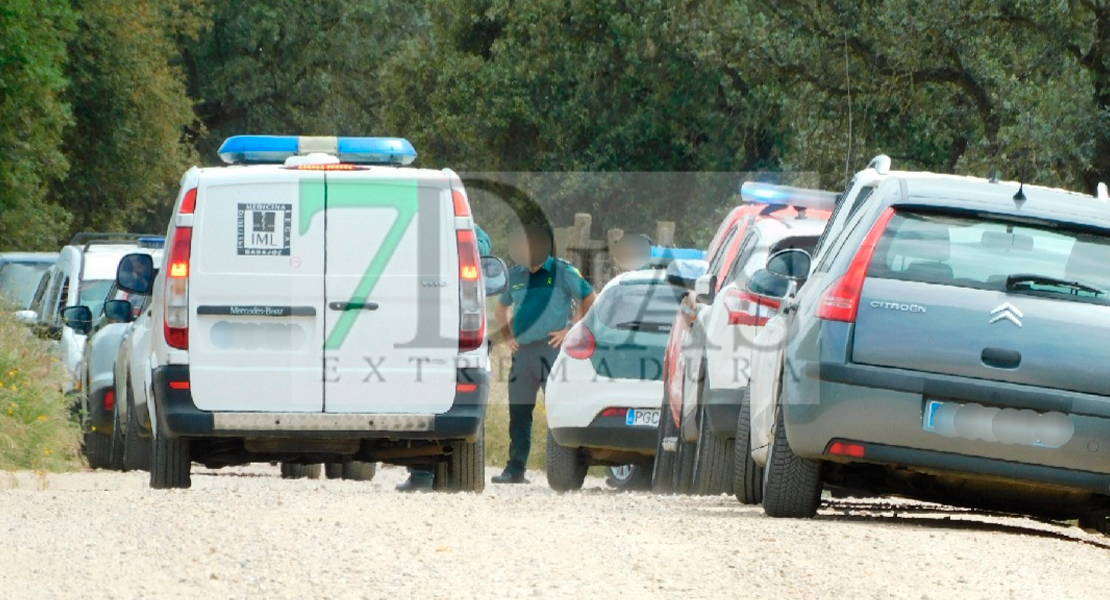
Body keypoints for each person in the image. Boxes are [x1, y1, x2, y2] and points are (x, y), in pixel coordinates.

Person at [492, 223, 596, 484]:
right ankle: (515, 469)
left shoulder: (562, 271)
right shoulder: (515, 275)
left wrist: (569, 329)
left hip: (551, 351)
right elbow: (501, 307)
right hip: (523, 353)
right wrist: (508, 336)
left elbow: (590, 298)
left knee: (559, 410)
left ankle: (567, 470)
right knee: (519, 413)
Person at [396, 224, 493, 493]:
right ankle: (421, 473)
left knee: (426, 397)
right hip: (423, 322)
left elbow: (481, 246)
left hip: (439, 323)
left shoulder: (455, 225)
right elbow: (481, 247)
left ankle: (421, 475)